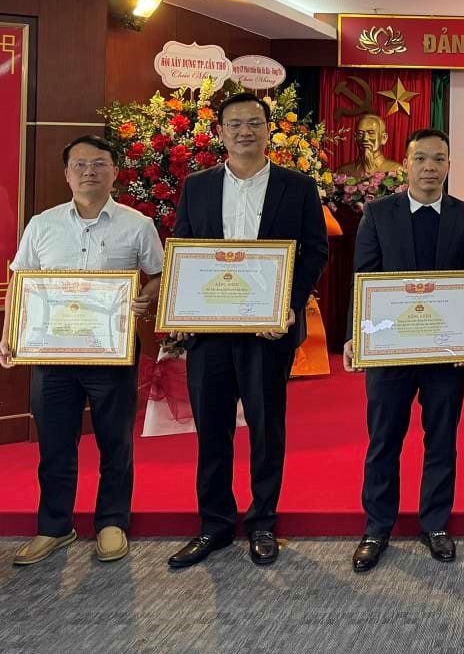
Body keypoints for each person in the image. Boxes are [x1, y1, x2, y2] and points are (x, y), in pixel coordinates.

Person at [166, 92, 329, 569]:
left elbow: (315, 251)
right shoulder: (197, 186)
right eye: (235, 124)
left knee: (265, 428)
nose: (245, 131)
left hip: (268, 332)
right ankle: (214, 524)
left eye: (254, 123)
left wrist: (288, 306)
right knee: (212, 430)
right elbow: (184, 250)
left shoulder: (297, 186)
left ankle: (262, 522)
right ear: (220, 132)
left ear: (268, 129)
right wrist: (181, 313)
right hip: (210, 332)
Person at [0, 136, 163, 566]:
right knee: (55, 444)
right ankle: (54, 527)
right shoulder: (43, 224)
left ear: (115, 172)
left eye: (100, 163)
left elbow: (160, 274)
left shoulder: (137, 224)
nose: (90, 171)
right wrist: (8, 335)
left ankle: (112, 522)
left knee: (115, 441)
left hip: (112, 351)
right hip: (52, 355)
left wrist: (146, 297)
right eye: (80, 164)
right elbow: (20, 282)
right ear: (67, 174)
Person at [343, 128, 464, 572]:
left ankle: (435, 524)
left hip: (445, 351)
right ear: (405, 164)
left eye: (438, 159)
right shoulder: (378, 213)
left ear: (449, 165)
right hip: (390, 349)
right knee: (384, 439)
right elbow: (364, 278)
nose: (429, 167)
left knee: (441, 439)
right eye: (420, 158)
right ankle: (376, 527)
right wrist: (355, 335)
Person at [335, 113, 405, 179]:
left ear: (384, 138)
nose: (365, 138)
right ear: (355, 138)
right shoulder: (342, 172)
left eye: (371, 133)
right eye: (360, 134)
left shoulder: (397, 170)